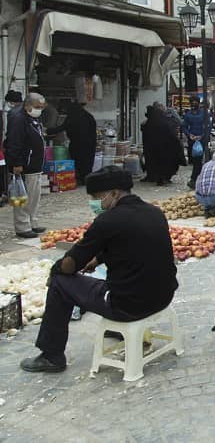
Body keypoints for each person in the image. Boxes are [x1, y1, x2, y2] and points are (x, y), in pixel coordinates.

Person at [19, 167, 178, 373]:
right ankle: (118, 330)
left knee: (60, 282)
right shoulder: (154, 212)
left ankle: (51, 355)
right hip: (163, 296)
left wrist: (56, 269)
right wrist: (98, 258)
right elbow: (130, 244)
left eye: (96, 197)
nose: (93, 203)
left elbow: (71, 265)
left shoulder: (107, 221)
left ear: (113, 194)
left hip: (128, 306)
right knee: (116, 280)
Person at [5, 92, 47, 238]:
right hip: (24, 164)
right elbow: (14, 142)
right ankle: (22, 226)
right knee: (22, 196)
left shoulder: (33, 117)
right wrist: (16, 162)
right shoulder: (18, 118)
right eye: (37, 107)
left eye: (42, 107)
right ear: (27, 105)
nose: (39, 109)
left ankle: (32, 222)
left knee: (34, 196)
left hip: (35, 164)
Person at [46, 102, 97, 185]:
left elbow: (61, 128)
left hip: (77, 144)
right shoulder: (89, 116)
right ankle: (87, 179)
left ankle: (80, 178)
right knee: (88, 162)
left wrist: (47, 131)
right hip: (90, 144)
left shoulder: (73, 117)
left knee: (78, 162)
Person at [141, 106, 182, 186]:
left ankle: (157, 177)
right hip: (165, 148)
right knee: (164, 164)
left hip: (154, 148)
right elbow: (171, 134)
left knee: (156, 163)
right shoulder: (164, 122)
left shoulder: (150, 123)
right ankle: (163, 178)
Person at [182, 96, 210, 189]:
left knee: (199, 160)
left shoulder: (204, 114)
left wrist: (202, 135)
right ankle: (198, 178)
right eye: (192, 102)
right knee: (195, 161)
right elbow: (184, 126)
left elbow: (208, 126)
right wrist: (189, 135)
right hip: (192, 140)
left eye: (195, 102)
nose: (194, 104)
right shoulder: (188, 115)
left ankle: (194, 179)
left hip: (202, 140)